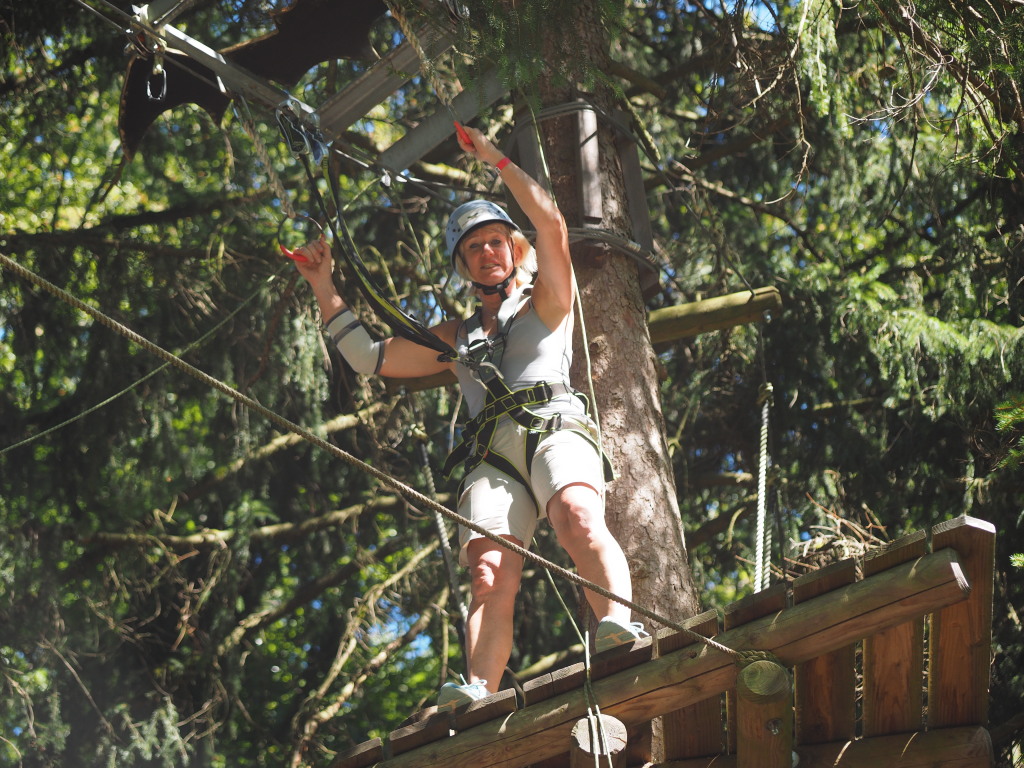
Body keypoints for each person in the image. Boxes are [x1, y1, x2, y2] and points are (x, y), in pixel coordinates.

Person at [292, 123, 645, 708]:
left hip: (552, 424)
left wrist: (495, 158)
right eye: (474, 247)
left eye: (495, 242)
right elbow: (368, 357)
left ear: (513, 249)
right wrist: (323, 284)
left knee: (578, 517)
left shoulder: (547, 301)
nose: (487, 253)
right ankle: (480, 690)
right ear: (463, 263)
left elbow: (552, 225)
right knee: (487, 574)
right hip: (491, 455)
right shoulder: (455, 338)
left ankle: (620, 627)